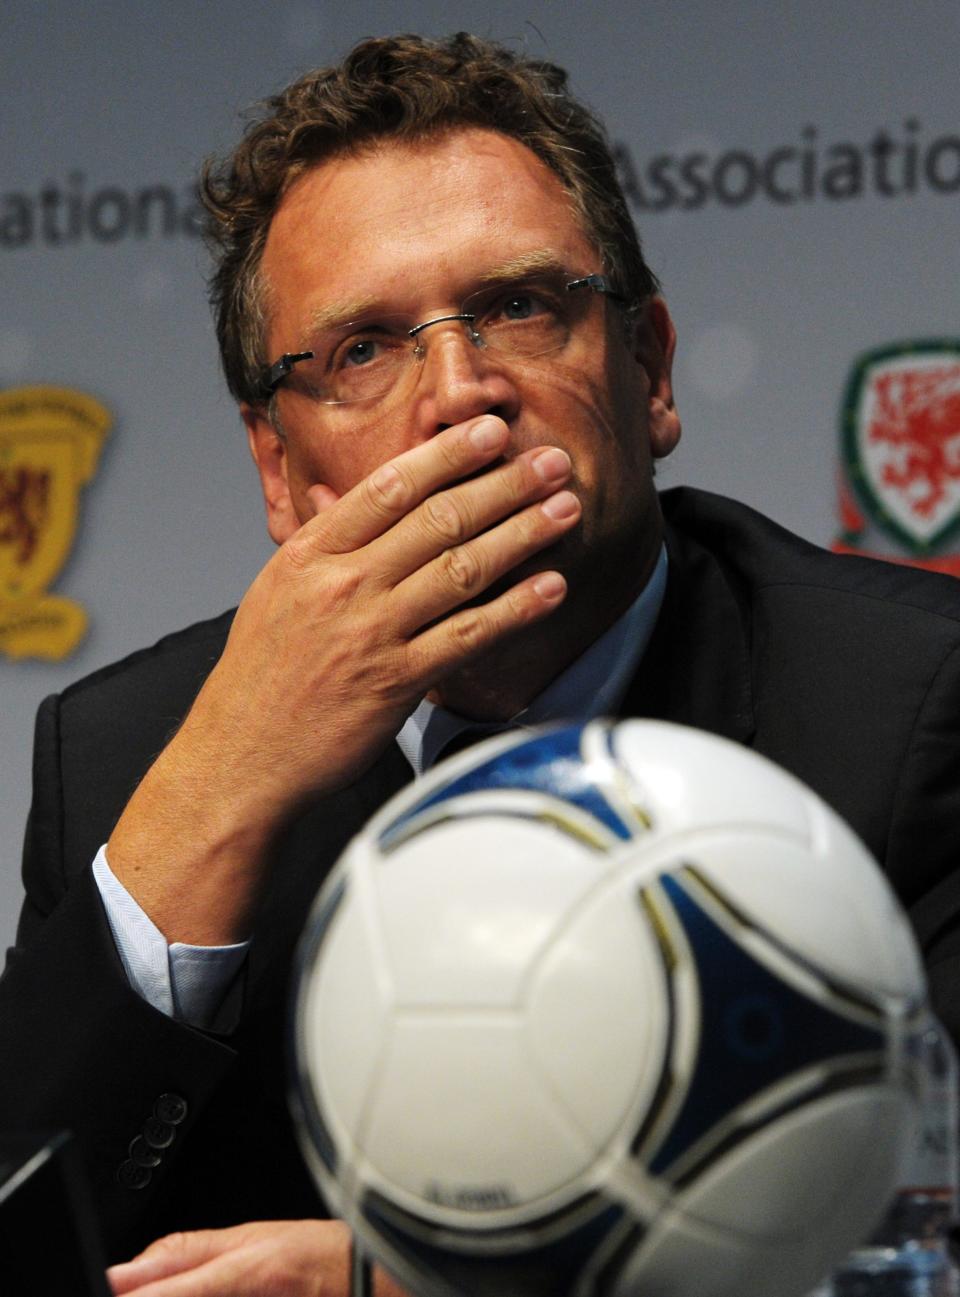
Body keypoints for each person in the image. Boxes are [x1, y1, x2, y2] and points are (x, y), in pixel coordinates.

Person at [3, 30, 960, 1297]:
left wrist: (417, 1282)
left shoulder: (915, 702)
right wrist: (220, 792)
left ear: (650, 369)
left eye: (520, 306)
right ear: (281, 473)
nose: (461, 394)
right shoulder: (127, 756)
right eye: (362, 349)